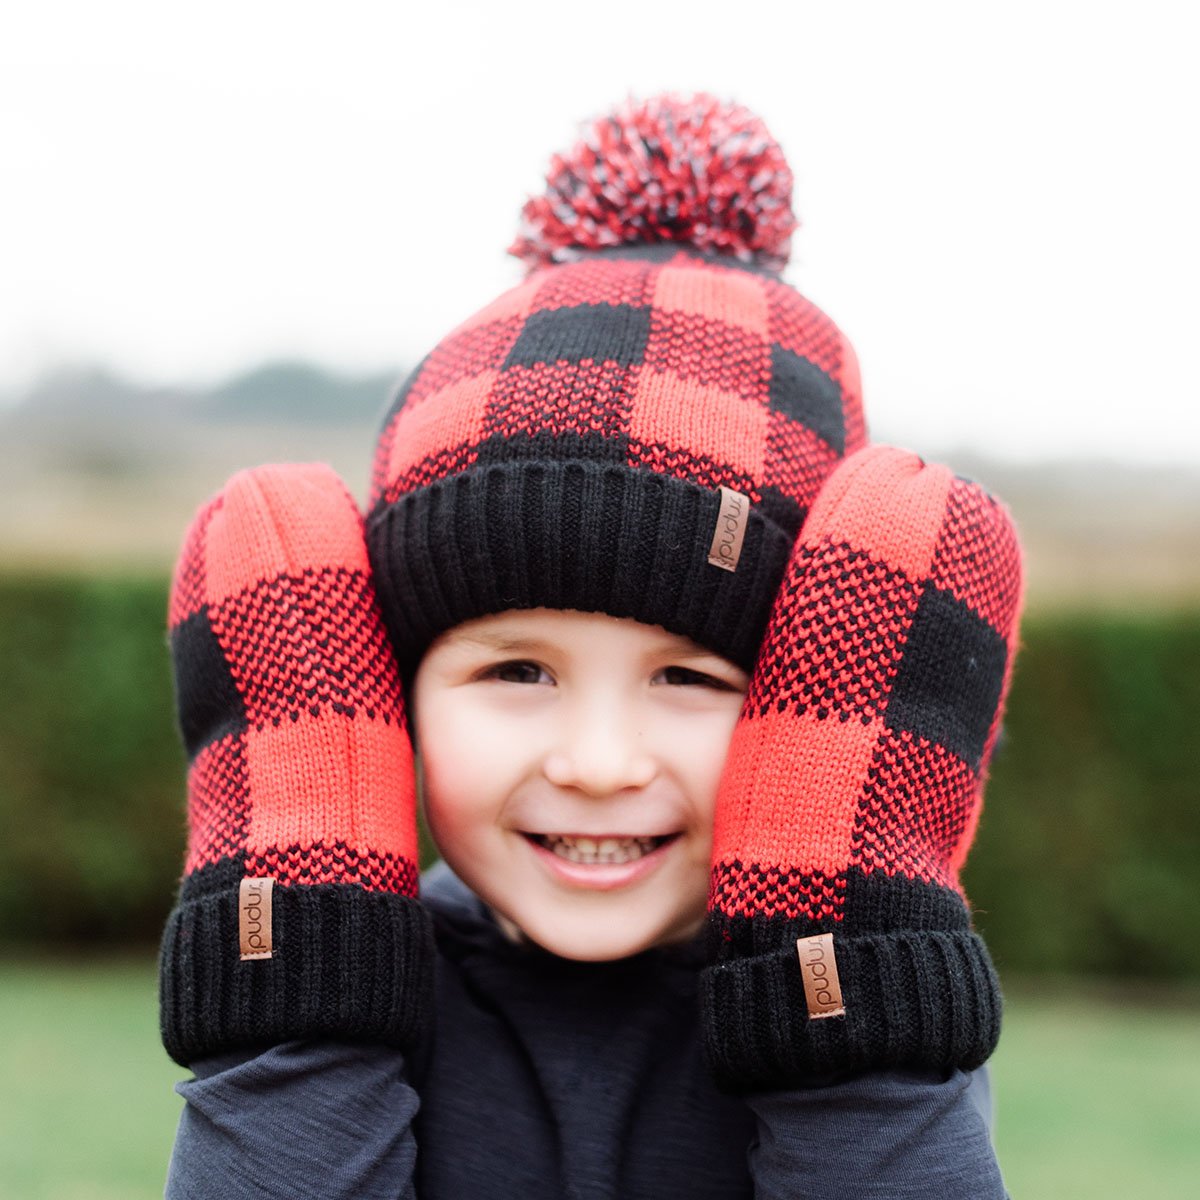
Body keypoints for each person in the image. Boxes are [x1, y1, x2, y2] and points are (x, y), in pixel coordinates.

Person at [159, 93, 1019, 1198]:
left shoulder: (869, 1023)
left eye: (691, 677)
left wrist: (844, 960)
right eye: (517, 671)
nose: (599, 761)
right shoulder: (355, 994)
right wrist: (303, 956)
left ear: (814, 698)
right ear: (388, 688)